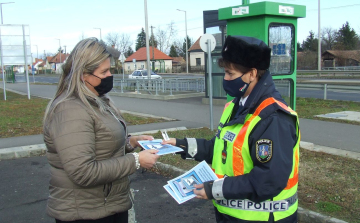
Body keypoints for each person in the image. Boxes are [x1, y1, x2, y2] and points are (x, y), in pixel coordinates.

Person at [163, 35, 300, 223]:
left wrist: (215, 189)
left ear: (252, 74)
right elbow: (219, 149)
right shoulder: (238, 105)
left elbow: (269, 180)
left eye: (230, 74)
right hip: (231, 215)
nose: (225, 79)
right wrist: (181, 145)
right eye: (225, 72)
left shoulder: (272, 118)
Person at [43, 37, 160, 223]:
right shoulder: (70, 110)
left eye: (110, 69)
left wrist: (131, 142)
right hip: (86, 213)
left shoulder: (97, 100)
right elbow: (83, 171)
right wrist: (136, 160)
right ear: (83, 74)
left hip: (106, 206)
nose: (109, 75)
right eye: (103, 71)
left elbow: (102, 143)